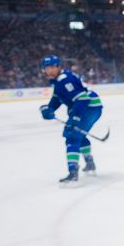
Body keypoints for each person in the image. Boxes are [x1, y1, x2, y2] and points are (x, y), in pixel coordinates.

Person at [38, 55, 103, 184]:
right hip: (86, 107)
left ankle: (73, 171)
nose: (49, 71)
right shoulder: (58, 81)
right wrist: (50, 109)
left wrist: (76, 117)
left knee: (72, 136)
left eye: (52, 67)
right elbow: (57, 98)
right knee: (79, 135)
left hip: (89, 107)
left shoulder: (65, 80)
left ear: (58, 67)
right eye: (47, 68)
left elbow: (82, 99)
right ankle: (89, 163)